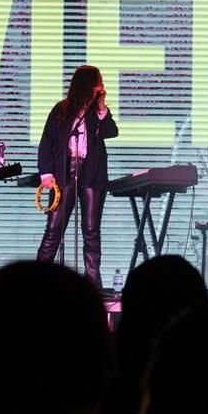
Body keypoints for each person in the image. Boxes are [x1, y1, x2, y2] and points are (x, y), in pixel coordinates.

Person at [36, 65, 118, 288]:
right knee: (54, 228)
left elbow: (111, 132)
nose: (101, 85)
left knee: (91, 230)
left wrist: (101, 106)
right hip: (64, 173)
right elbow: (47, 142)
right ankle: (37, 280)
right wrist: (46, 173)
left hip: (92, 173)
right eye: (98, 81)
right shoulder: (62, 109)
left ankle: (93, 282)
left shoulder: (98, 113)